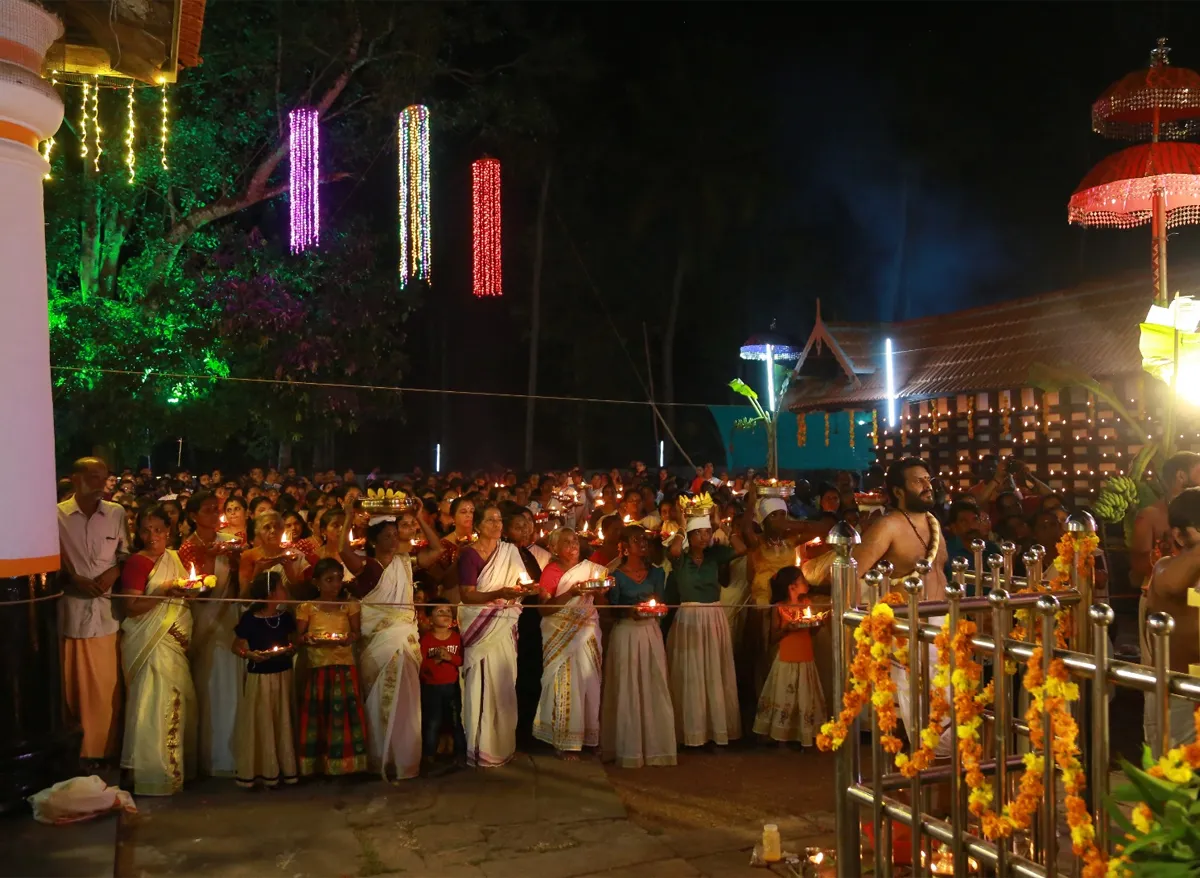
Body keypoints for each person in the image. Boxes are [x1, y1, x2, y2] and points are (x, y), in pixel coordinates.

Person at [338, 500, 442, 782]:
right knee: (376, 700)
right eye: (387, 536)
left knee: (407, 699)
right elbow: (342, 550)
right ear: (373, 541)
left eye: (396, 535)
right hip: (377, 642)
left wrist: (420, 516)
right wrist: (348, 517)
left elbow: (437, 550)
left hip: (404, 639)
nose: (394, 540)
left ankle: (405, 760)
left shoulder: (405, 563)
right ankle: (378, 759)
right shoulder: (367, 566)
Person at [851, 457, 949, 752]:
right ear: (897, 491)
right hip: (909, 628)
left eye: (928, 480)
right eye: (918, 481)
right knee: (917, 701)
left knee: (950, 694)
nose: (927, 486)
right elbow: (854, 573)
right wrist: (864, 622)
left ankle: (942, 762)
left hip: (942, 620)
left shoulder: (934, 523)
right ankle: (929, 762)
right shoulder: (888, 526)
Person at [118, 505, 197, 795]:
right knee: (154, 705)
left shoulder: (174, 559)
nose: (153, 536)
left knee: (173, 703)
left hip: (175, 641)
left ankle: (174, 768)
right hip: (151, 644)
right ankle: (156, 773)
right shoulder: (138, 563)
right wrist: (164, 591)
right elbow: (132, 607)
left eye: (159, 529)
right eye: (146, 530)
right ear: (137, 533)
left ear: (169, 531)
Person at [57, 457, 129, 769]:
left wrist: (113, 573)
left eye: (104, 475)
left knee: (107, 685)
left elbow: (126, 554)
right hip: (72, 611)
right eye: (93, 476)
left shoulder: (116, 513)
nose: (101, 482)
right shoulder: (56, 516)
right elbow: (49, 563)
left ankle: (107, 749)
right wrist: (71, 578)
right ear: (74, 479)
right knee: (75, 685)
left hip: (107, 611)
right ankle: (80, 751)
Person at [663, 494, 744, 747]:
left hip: (713, 616)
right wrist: (681, 527)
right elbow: (675, 549)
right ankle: (692, 732)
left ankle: (715, 730)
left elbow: (741, 549)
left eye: (708, 533)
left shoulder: (714, 555)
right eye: (701, 533)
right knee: (692, 672)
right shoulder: (681, 558)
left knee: (713, 671)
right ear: (691, 535)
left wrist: (722, 527)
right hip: (690, 618)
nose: (706, 537)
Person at [457, 503, 530, 768]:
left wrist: (521, 590)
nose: (497, 525)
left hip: (504, 626)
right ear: (477, 526)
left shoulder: (509, 551)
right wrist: (499, 594)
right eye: (490, 520)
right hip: (481, 626)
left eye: (499, 520)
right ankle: (481, 748)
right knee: (480, 685)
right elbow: (467, 594)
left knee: (503, 684)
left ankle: (502, 746)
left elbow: (522, 582)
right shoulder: (469, 555)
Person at [178, 491, 243, 777]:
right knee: (209, 681)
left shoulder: (230, 543)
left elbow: (240, 582)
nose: (216, 516)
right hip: (204, 619)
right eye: (207, 510)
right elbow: (197, 591)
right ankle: (210, 757)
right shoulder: (187, 548)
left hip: (229, 617)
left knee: (230, 681)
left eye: (216, 510)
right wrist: (207, 559)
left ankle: (233, 755)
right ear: (193, 516)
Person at [601, 526, 676, 768]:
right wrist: (630, 611)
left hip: (650, 631)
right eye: (636, 540)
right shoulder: (616, 576)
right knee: (627, 686)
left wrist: (653, 610)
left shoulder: (656, 574)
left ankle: (656, 747)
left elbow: (662, 604)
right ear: (623, 546)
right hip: (626, 634)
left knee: (653, 684)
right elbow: (612, 611)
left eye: (644, 540)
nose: (642, 544)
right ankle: (628, 747)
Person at [535, 528, 609, 759]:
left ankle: (588, 737)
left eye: (575, 540)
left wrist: (599, 592)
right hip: (561, 637)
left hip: (587, 634)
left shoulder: (591, 570)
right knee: (566, 686)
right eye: (565, 542)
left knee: (590, 686)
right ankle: (564, 740)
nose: (573, 545)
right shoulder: (551, 571)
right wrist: (573, 592)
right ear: (554, 549)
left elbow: (603, 605)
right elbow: (543, 609)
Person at [295, 558, 368, 777]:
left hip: (343, 667)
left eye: (338, 579)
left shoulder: (350, 605)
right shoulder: (306, 607)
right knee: (319, 715)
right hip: (318, 667)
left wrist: (349, 639)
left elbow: (356, 633)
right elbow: (298, 637)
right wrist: (308, 638)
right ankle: (316, 765)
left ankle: (347, 765)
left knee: (344, 715)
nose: (335, 585)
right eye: (329, 580)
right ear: (317, 582)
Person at [1142, 487, 1200, 756]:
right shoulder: (1165, 568)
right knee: (1173, 789)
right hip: (1177, 695)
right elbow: (1173, 584)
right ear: (1178, 535)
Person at [231, 572, 298, 789]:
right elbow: (236, 646)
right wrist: (250, 655)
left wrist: (289, 650)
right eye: (281, 588)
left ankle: (287, 769)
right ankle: (264, 771)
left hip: (283, 675)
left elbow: (294, 644)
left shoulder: (285, 617)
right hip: (259, 678)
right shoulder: (250, 619)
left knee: (283, 721)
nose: (285, 592)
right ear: (271, 593)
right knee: (262, 722)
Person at [753, 567, 826, 747]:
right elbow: (773, 637)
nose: (806, 584)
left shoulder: (806, 604)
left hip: (805, 657)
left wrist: (818, 623)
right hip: (787, 658)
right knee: (784, 697)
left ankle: (805, 736)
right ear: (792, 587)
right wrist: (788, 628)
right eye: (802, 581)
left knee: (805, 697)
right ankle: (781, 738)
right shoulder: (779, 608)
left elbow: (813, 632)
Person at [419, 599, 466, 773]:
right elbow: (421, 663)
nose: (445, 614)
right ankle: (428, 757)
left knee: (456, 721)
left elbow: (461, 660)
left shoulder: (456, 638)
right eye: (440, 612)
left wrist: (448, 658)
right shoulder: (426, 640)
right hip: (432, 688)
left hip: (452, 687)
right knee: (432, 722)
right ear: (430, 618)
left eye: (448, 611)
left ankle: (460, 755)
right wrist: (431, 667)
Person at [943, 500, 999, 593]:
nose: (971, 526)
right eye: (964, 521)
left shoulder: (992, 549)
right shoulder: (946, 552)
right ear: (954, 527)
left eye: (975, 519)